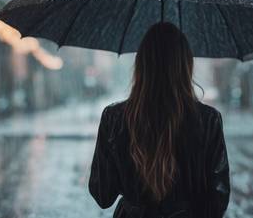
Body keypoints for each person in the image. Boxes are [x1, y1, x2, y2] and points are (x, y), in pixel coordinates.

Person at [88, 22, 230, 218]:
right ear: (185, 66)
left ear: (141, 66)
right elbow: (217, 200)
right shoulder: (208, 120)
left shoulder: (114, 119)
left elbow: (102, 194)